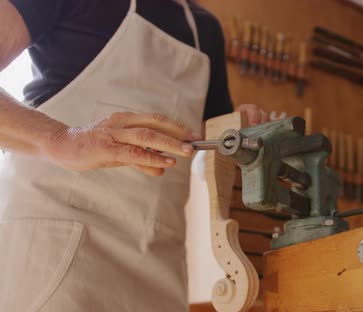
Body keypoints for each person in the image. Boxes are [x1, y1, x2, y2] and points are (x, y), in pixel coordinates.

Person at [0, 0, 268, 310]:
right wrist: (60, 139)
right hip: (56, 250)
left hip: (158, 265)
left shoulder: (205, 28)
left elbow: (208, 147)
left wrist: (239, 134)